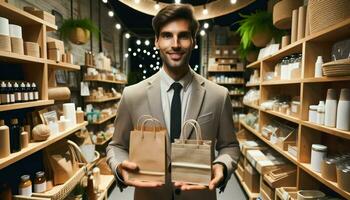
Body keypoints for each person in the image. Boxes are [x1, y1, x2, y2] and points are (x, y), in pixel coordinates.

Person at [106, 4, 240, 200]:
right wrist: (119, 166)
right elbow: (116, 146)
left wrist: (222, 165)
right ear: (157, 41)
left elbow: (230, 145)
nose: (175, 44)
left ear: (194, 41)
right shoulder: (133, 95)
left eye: (183, 36)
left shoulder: (218, 95)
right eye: (167, 35)